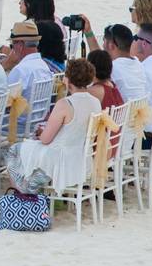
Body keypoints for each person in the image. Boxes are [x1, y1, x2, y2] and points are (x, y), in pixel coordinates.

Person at [5, 59, 102, 194]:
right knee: (30, 157)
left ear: (68, 79)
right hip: (82, 159)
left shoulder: (65, 104)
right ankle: (26, 191)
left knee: (14, 150)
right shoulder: (95, 102)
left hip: (59, 162)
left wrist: (41, 133)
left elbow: (45, 139)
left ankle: (22, 194)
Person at [6, 20, 53, 131]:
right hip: (37, 124)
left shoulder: (20, 70)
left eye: (12, 45)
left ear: (20, 45)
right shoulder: (44, 67)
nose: (12, 49)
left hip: (18, 127)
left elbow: (6, 104)